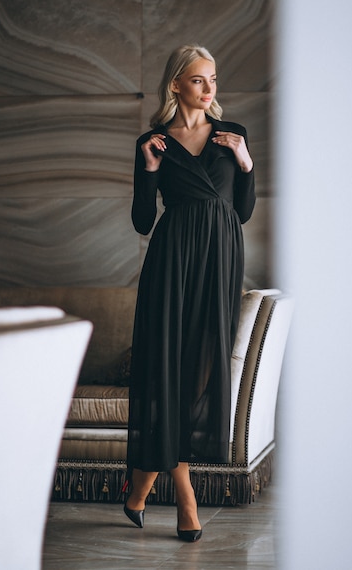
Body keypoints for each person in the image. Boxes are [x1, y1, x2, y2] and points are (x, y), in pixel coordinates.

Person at [124, 45, 255, 542]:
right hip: (171, 264)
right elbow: (141, 221)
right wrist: (150, 171)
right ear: (176, 84)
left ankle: (138, 488)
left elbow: (241, 212)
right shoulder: (153, 141)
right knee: (168, 378)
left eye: (214, 80)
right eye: (199, 81)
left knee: (196, 379)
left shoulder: (232, 137)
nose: (210, 89)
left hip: (219, 265)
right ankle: (186, 499)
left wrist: (244, 163)